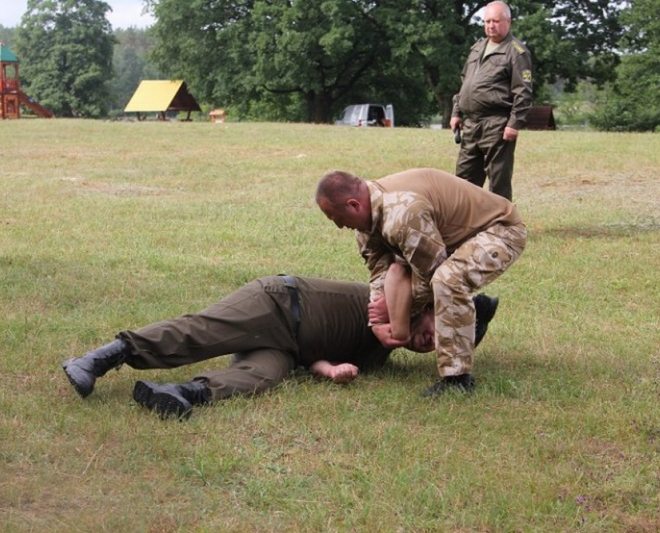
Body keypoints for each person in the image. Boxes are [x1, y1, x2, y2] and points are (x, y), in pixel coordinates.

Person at [62, 275, 499, 418]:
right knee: (200, 333)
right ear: (428, 307)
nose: (430, 342)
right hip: (275, 303)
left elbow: (322, 357)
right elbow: (395, 275)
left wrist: (327, 371)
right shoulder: (390, 299)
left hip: (288, 351)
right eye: (438, 330)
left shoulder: (381, 354)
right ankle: (99, 360)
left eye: (439, 346)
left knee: (263, 376)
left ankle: (181, 393)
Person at [315, 168, 526, 396]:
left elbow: (431, 275)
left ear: (354, 205)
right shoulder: (367, 225)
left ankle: (457, 381)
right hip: (453, 242)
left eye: (336, 218)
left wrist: (396, 311)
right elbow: (379, 273)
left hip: (500, 230)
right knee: (409, 303)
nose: (339, 226)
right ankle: (474, 313)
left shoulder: (402, 214)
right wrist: (377, 322)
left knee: (448, 281)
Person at [450, 1, 533, 201]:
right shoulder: (477, 47)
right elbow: (465, 82)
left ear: (508, 22)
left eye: (496, 21)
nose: (491, 26)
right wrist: (456, 112)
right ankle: (463, 225)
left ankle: (503, 227)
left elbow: (523, 91)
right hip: (471, 124)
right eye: (487, 21)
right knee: (463, 180)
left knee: (498, 181)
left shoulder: (517, 52)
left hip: (497, 124)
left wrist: (514, 124)